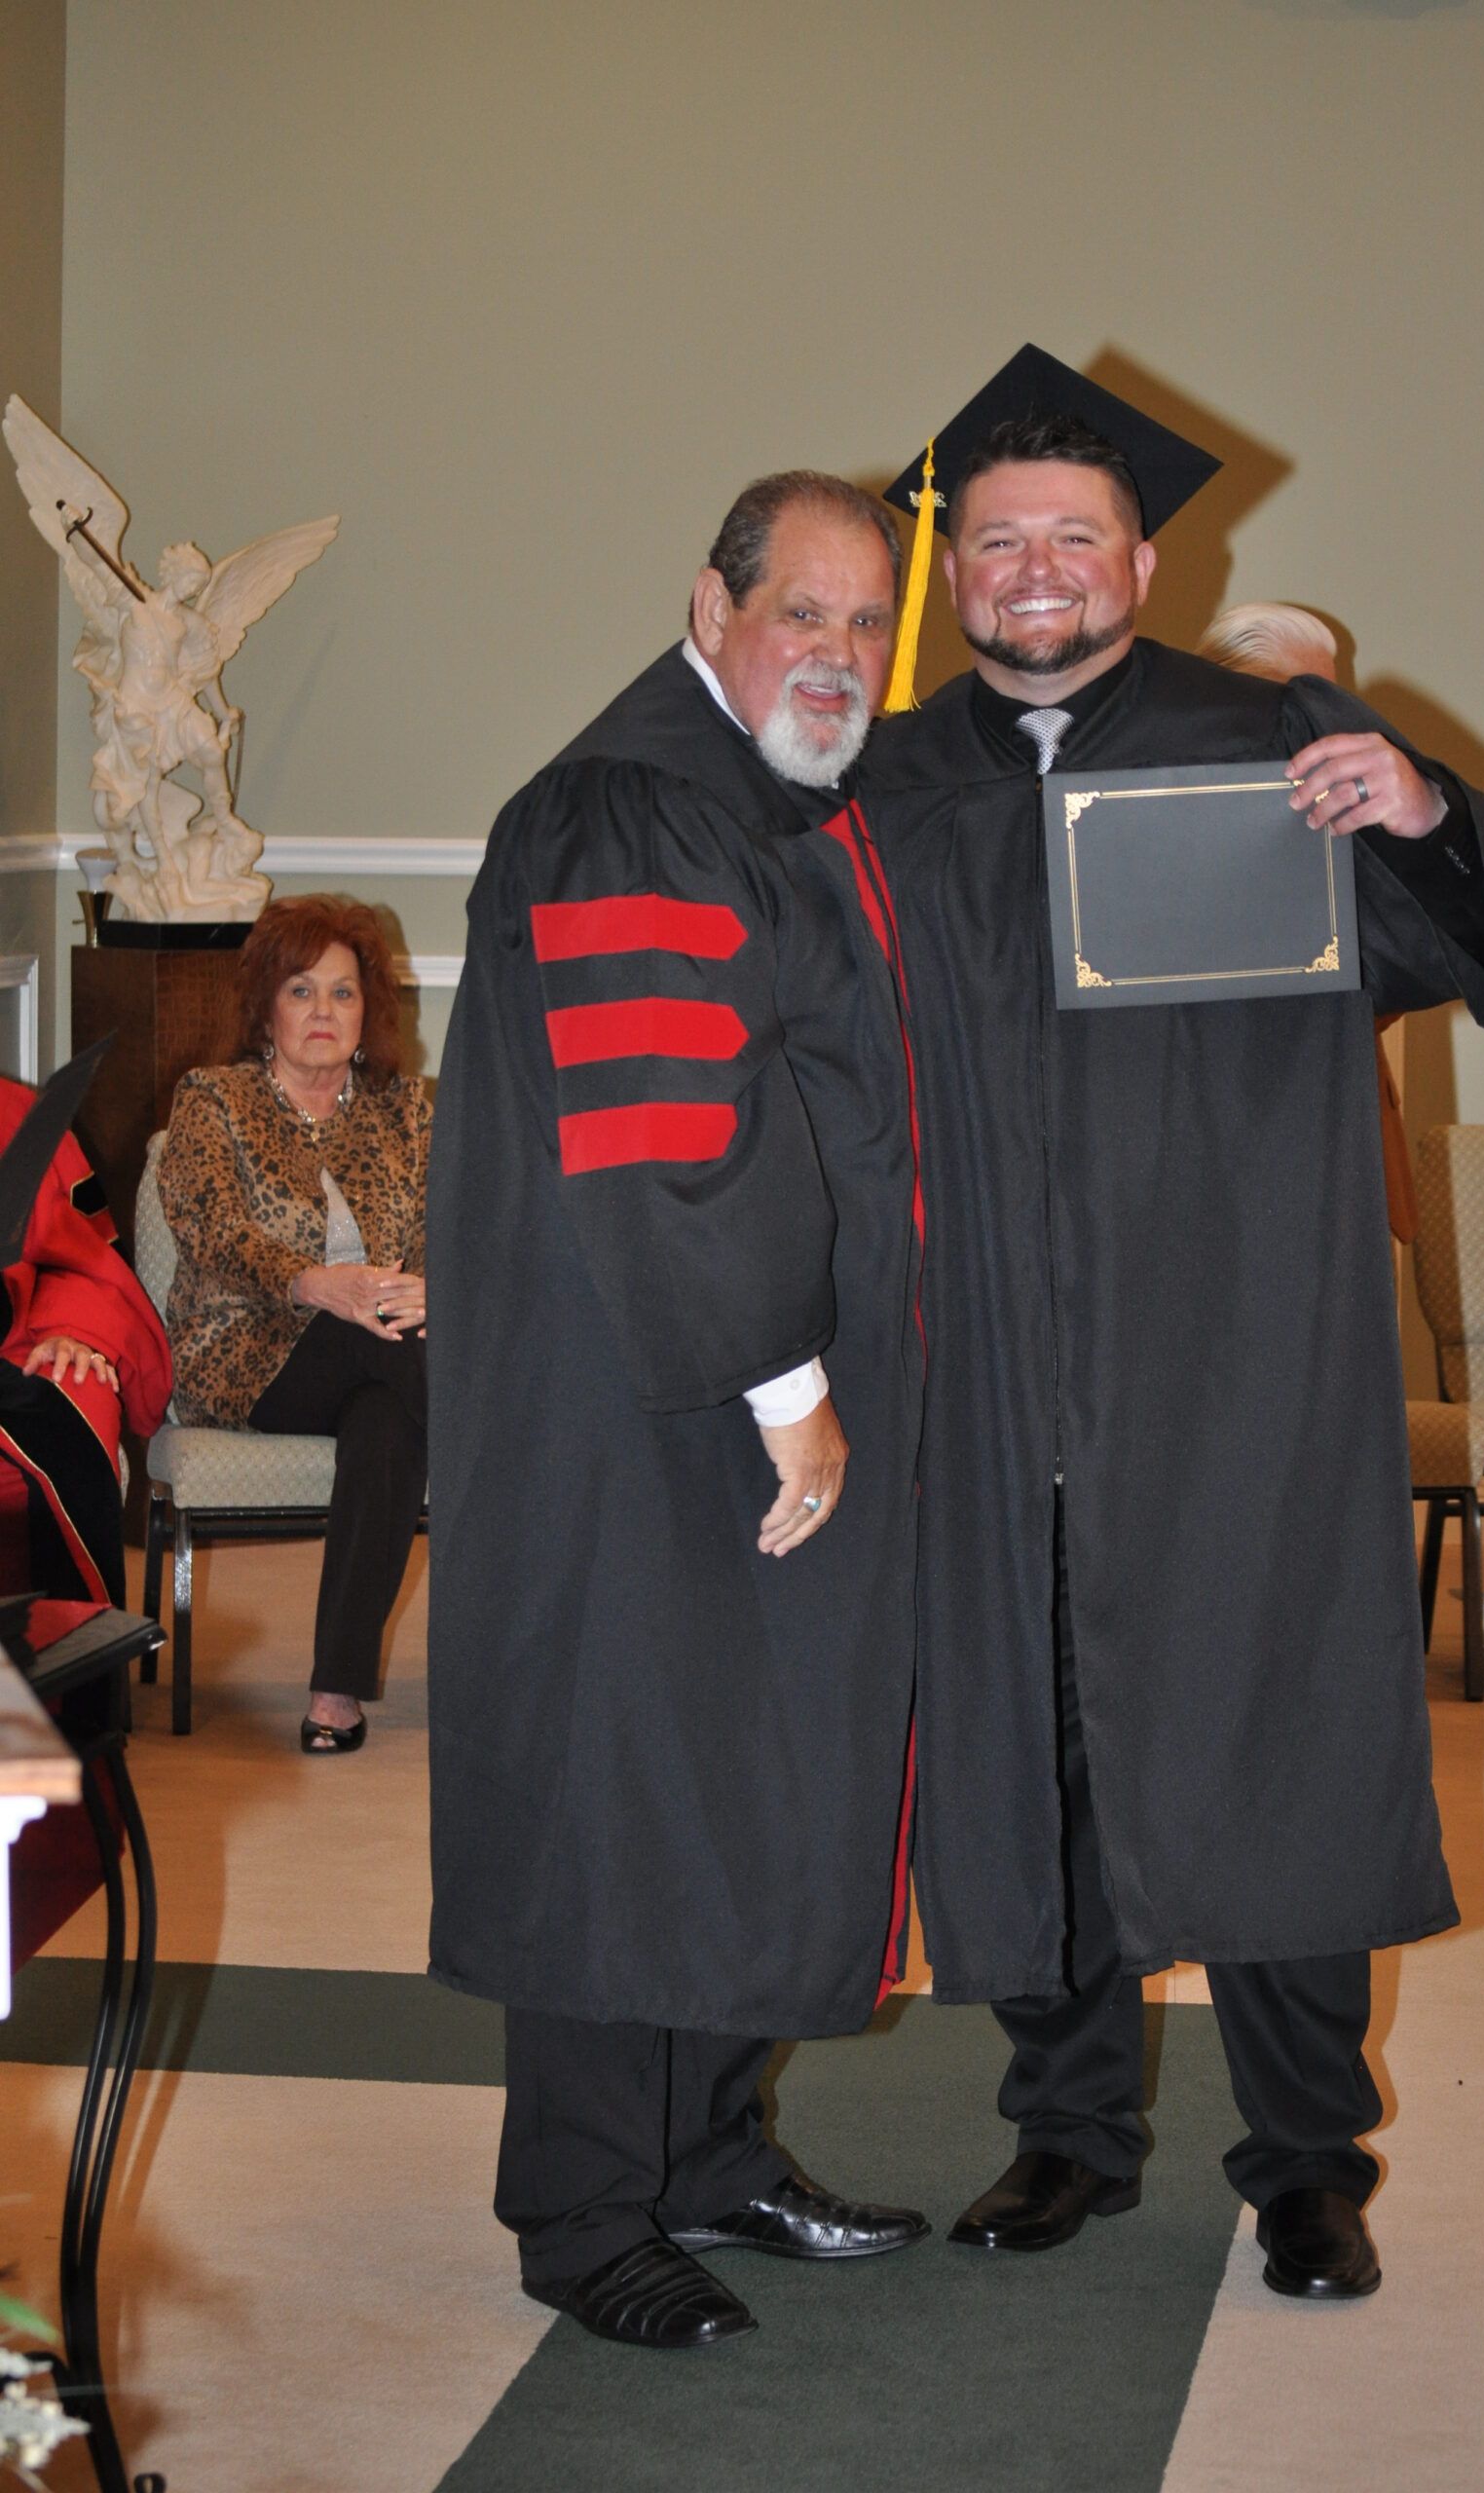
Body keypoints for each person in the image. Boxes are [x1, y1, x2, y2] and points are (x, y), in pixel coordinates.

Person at [860, 347, 1484, 2300]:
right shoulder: (885, 787)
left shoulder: (1274, 744)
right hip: (985, 1359)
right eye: (999, 540)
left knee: (1275, 1735)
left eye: (1073, 537)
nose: (1034, 568)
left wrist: (1413, 802)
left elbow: (1459, 943)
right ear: (959, 573)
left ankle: (1308, 2163)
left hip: (1235, 1358)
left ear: (1143, 565)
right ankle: (1064, 2129)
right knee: (1032, 1743)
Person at [427, 472, 928, 2351]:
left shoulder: (770, 796)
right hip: (634, 1397)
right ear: (710, 606)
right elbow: (662, 1125)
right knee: (614, 1783)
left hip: (734, 1377)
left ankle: (711, 2152)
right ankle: (581, 2211)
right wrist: (790, 1390)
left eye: (869, 622)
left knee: (740, 1767)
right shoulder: (631, 801)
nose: (840, 654)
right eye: (805, 611)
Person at [158, 895, 429, 1751]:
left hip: (383, 1353)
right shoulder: (214, 1098)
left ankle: (334, 1692)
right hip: (244, 1348)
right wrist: (315, 1284)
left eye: (343, 993)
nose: (323, 1011)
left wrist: (434, 1291)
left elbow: (460, 1227)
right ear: (266, 1006)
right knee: (397, 1352)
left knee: (386, 1422)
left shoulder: (408, 1111)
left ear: (368, 1010)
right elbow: (209, 1227)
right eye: (301, 990)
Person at [1198, 600, 1417, 1243]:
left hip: (1341, 1159)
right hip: (1211, 1162)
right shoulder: (1167, 813)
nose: (1326, 729)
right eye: (1305, 705)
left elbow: (1398, 977)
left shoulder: (1354, 806)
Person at [1, 1077, 171, 1605]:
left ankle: (69, 1652)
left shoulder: (19, 1118)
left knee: (78, 1387)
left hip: (10, 1350)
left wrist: (72, 1331)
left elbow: (79, 1257)